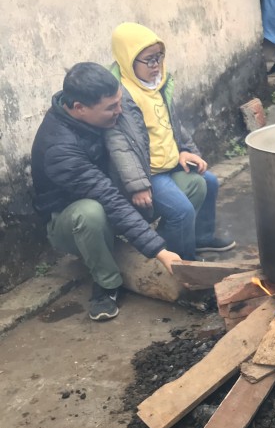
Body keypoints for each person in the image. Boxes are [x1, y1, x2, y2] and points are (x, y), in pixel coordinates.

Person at [31, 63, 182, 321]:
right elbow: (106, 196)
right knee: (90, 212)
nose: (119, 111)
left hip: (114, 200)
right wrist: (158, 250)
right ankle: (107, 284)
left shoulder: (101, 108)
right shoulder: (60, 148)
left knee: (188, 184)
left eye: (119, 102)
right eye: (111, 108)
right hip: (71, 223)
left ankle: (176, 263)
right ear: (79, 108)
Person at [107, 22, 235, 261]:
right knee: (182, 210)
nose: (156, 65)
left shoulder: (159, 84)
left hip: (170, 161)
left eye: (159, 57)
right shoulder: (120, 97)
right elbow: (119, 146)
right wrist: (137, 184)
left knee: (210, 181)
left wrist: (186, 151)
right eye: (149, 60)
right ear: (127, 59)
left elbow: (173, 124)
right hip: (150, 173)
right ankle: (184, 262)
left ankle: (201, 237)